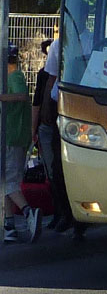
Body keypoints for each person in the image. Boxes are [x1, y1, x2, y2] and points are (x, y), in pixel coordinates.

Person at [42, 38, 87, 241]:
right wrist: (46, 109)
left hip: (80, 106)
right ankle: (65, 213)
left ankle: (78, 218)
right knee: (57, 166)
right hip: (59, 106)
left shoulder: (88, 40)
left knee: (74, 166)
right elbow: (51, 78)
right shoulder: (57, 45)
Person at [2, 45, 41, 244]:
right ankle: (9, 226)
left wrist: (2, 98)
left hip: (12, 137)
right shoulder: (12, 77)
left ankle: (28, 213)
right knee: (8, 181)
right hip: (14, 137)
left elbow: (22, 96)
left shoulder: (14, 77)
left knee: (8, 182)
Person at [31, 38, 59, 229]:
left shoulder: (44, 75)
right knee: (56, 171)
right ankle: (60, 212)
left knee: (52, 171)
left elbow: (37, 104)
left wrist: (33, 131)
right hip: (54, 125)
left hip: (48, 126)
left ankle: (60, 211)